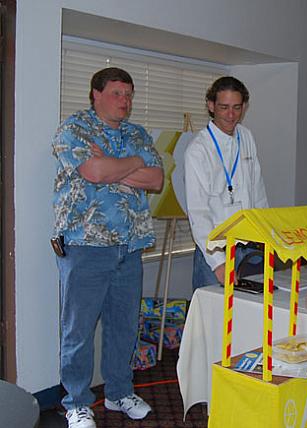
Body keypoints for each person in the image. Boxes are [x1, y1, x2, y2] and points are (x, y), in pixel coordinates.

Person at [52, 67, 163, 428]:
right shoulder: (75, 129)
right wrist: (134, 165)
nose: (125, 101)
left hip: (129, 247)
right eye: (117, 93)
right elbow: (94, 173)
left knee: (123, 327)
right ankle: (77, 402)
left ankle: (118, 393)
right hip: (87, 246)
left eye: (129, 94)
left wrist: (118, 165)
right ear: (96, 94)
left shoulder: (137, 133)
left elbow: (157, 179)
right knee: (79, 329)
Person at [185, 76, 268, 289]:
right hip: (216, 252)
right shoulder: (198, 150)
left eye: (236, 107)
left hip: (250, 246)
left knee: (252, 315)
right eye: (224, 107)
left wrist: (267, 238)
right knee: (215, 320)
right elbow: (198, 212)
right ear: (211, 106)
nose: (231, 115)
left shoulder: (246, 136)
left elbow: (258, 191)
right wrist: (218, 264)